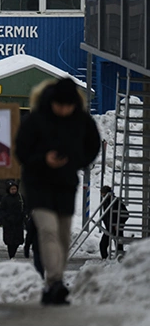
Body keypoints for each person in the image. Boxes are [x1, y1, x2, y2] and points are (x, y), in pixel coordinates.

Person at [15, 77, 101, 306]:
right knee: (49, 230)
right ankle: (54, 281)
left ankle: (55, 283)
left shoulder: (82, 121)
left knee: (63, 234)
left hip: (65, 183)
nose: (64, 110)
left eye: (68, 105)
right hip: (38, 184)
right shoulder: (36, 120)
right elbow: (21, 151)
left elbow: (93, 146)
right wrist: (44, 159)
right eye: (60, 105)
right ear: (52, 101)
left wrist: (74, 161)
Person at [99, 185, 129, 260]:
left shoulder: (115, 202)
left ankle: (119, 259)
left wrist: (118, 224)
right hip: (109, 227)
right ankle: (105, 259)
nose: (102, 195)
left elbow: (125, 214)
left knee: (118, 245)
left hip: (116, 227)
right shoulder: (106, 201)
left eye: (103, 193)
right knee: (103, 244)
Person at [0, 180, 26, 259]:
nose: (13, 191)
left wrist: (23, 216)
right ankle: (11, 255)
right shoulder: (5, 198)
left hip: (18, 222)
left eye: (15, 189)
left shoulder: (20, 197)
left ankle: (13, 254)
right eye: (12, 189)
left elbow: (25, 207)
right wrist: (5, 218)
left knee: (17, 240)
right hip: (8, 223)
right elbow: (1, 210)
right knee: (10, 241)